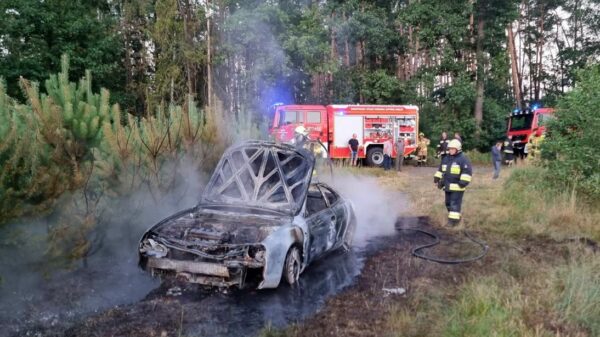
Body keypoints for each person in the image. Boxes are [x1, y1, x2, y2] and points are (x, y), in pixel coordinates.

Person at [433, 139, 473, 227]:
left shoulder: (463, 160)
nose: (450, 150)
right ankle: (456, 217)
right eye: (449, 148)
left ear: (458, 149)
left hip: (458, 187)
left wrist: (462, 183)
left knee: (454, 204)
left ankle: (453, 222)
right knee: (448, 203)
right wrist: (437, 178)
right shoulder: (446, 159)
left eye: (452, 149)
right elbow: (441, 170)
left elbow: (467, 172)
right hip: (447, 186)